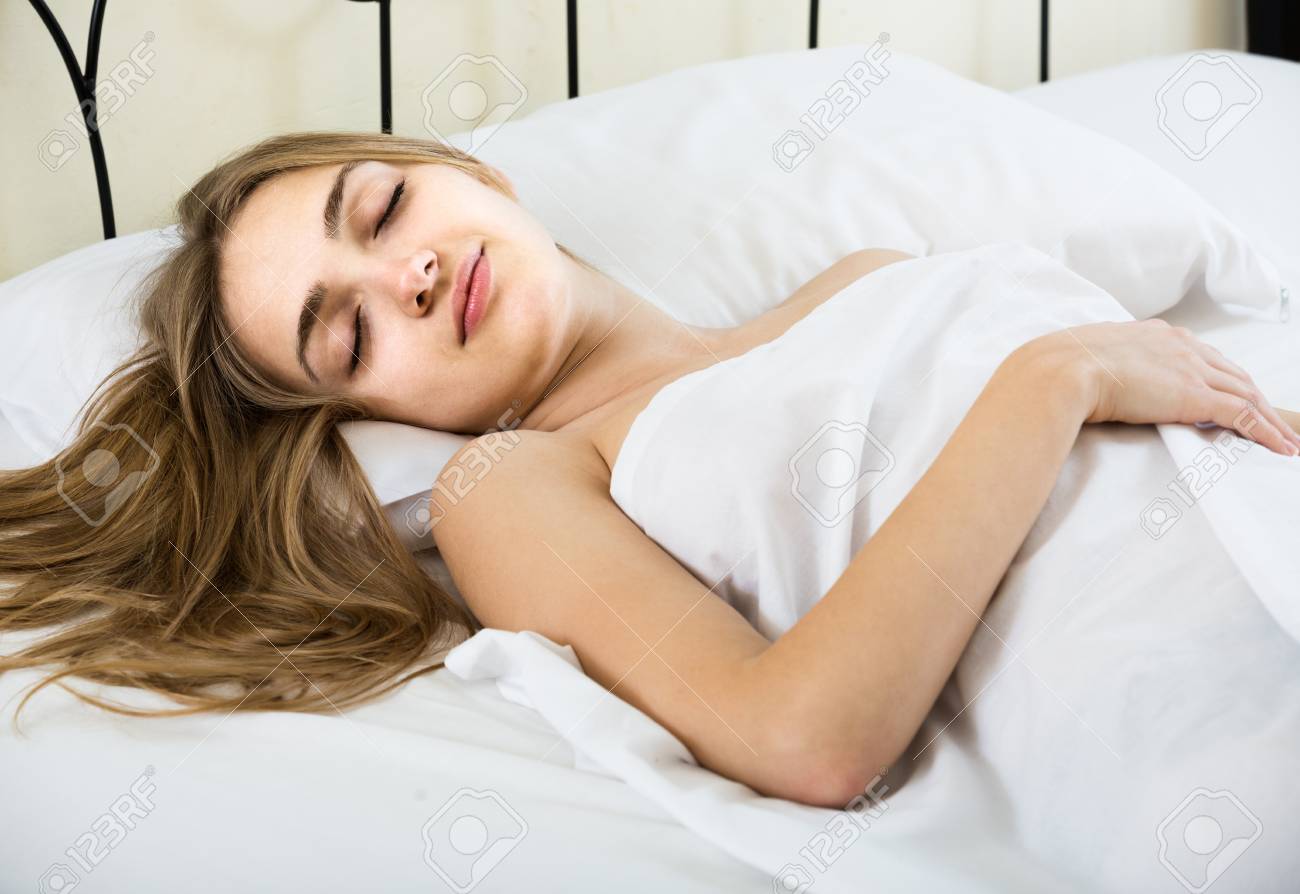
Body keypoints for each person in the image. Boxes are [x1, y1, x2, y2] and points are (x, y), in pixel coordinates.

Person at [2, 132, 1297, 808]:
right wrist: (1052, 384)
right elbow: (806, 739)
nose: (409, 275)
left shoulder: (862, 283)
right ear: (369, 407)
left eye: (386, 209)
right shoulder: (509, 485)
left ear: (473, 176)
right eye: (349, 334)